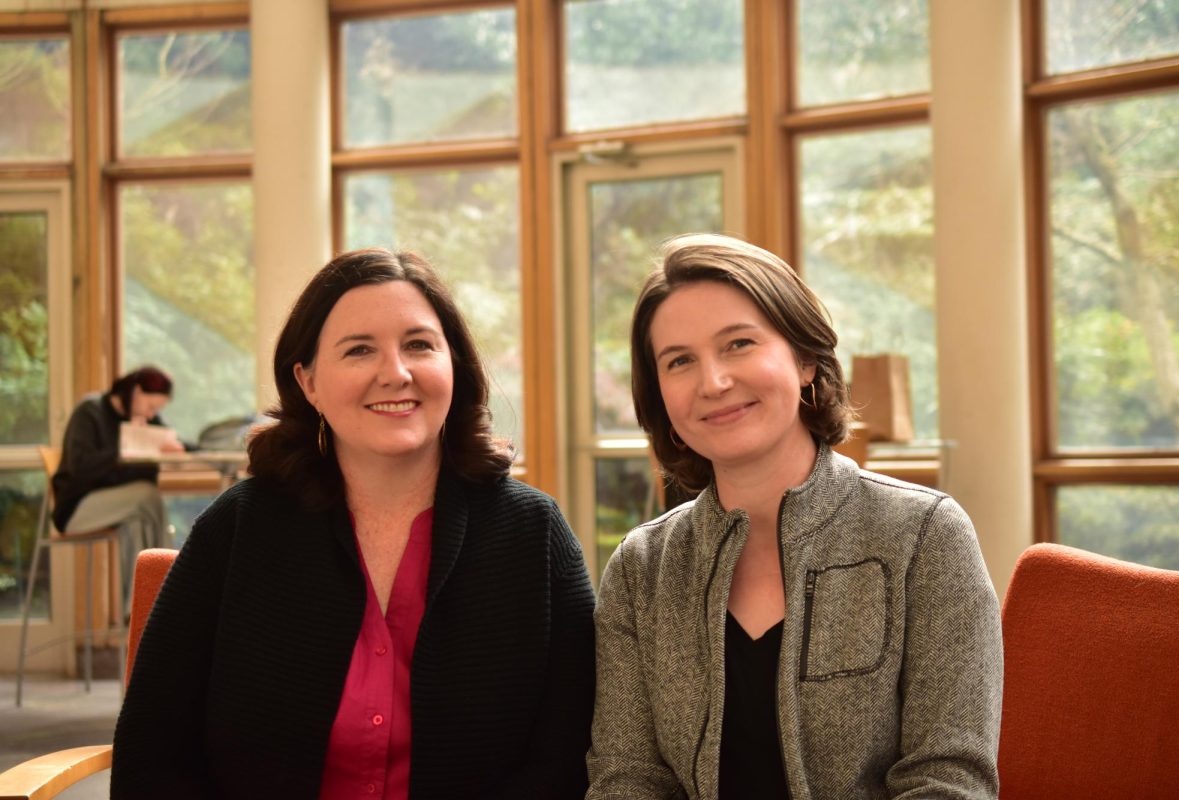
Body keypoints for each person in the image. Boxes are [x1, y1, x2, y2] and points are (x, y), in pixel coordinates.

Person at [111, 248, 596, 799]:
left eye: (419, 345)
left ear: (454, 366)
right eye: (359, 350)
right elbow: (153, 748)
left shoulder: (534, 534)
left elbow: (568, 757)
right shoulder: (237, 529)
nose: (396, 373)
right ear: (309, 381)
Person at [587, 234, 1003, 799]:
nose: (713, 382)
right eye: (679, 361)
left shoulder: (925, 535)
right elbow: (627, 779)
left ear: (805, 359)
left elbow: (948, 780)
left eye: (738, 344)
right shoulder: (642, 567)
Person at [52, 366, 183, 613]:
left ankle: (138, 611)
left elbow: (172, 441)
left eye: (157, 410)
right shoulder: (90, 411)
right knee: (147, 495)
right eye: (150, 407)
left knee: (135, 522)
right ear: (134, 391)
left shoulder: (143, 419)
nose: (152, 414)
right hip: (77, 508)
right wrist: (126, 449)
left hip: (122, 510)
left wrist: (177, 447)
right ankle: (171, 585)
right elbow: (80, 467)